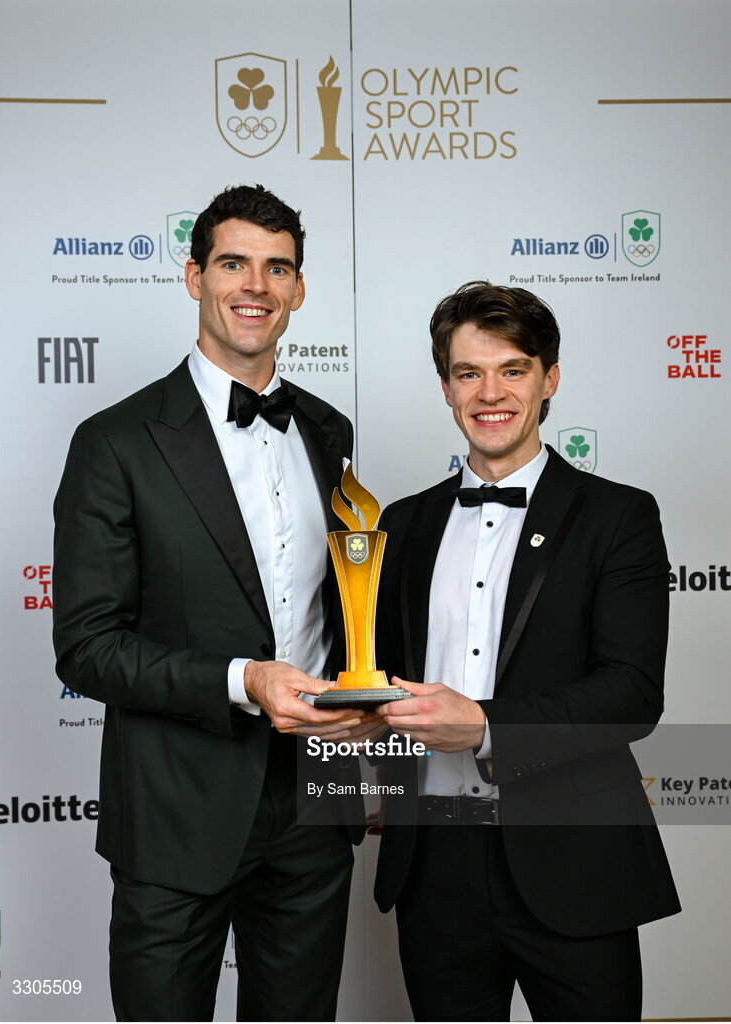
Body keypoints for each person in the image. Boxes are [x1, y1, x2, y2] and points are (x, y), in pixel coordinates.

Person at [53, 184, 376, 1022]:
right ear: (195, 275)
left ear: (300, 288)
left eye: (278, 268)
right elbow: (87, 646)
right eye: (233, 263)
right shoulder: (115, 442)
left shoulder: (328, 429)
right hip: (174, 812)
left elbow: (340, 606)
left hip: (317, 802)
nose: (255, 287)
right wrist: (244, 680)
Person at [371, 281, 680, 1022]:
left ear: (549, 378)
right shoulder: (401, 524)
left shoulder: (618, 516)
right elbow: (380, 678)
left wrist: (483, 727)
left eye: (513, 368)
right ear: (444, 385)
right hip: (434, 866)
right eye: (468, 372)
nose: (490, 393)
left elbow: (631, 693)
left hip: (573, 859)